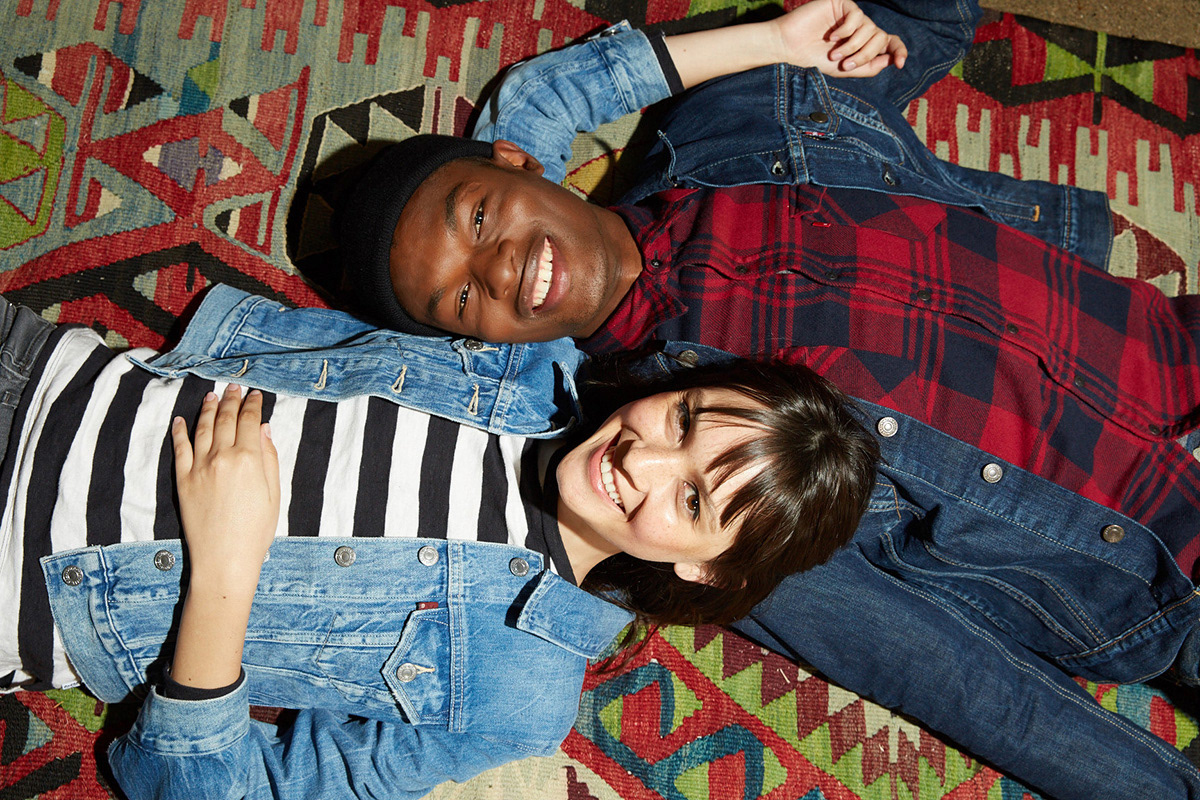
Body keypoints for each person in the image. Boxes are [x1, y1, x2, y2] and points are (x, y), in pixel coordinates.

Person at [334, 2, 1200, 797]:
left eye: (478, 220)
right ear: (475, 342)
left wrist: (840, 33)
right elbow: (951, 677)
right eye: (461, 299)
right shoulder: (703, 490)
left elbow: (926, 20)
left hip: (1174, 341)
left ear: (517, 161)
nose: (498, 269)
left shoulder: (745, 112)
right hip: (1165, 564)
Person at [0, 288, 879, 800]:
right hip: (31, 369)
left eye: (691, 498)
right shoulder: (529, 364)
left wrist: (225, 573)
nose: (639, 457)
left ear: (705, 568)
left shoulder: (518, 690)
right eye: (683, 420)